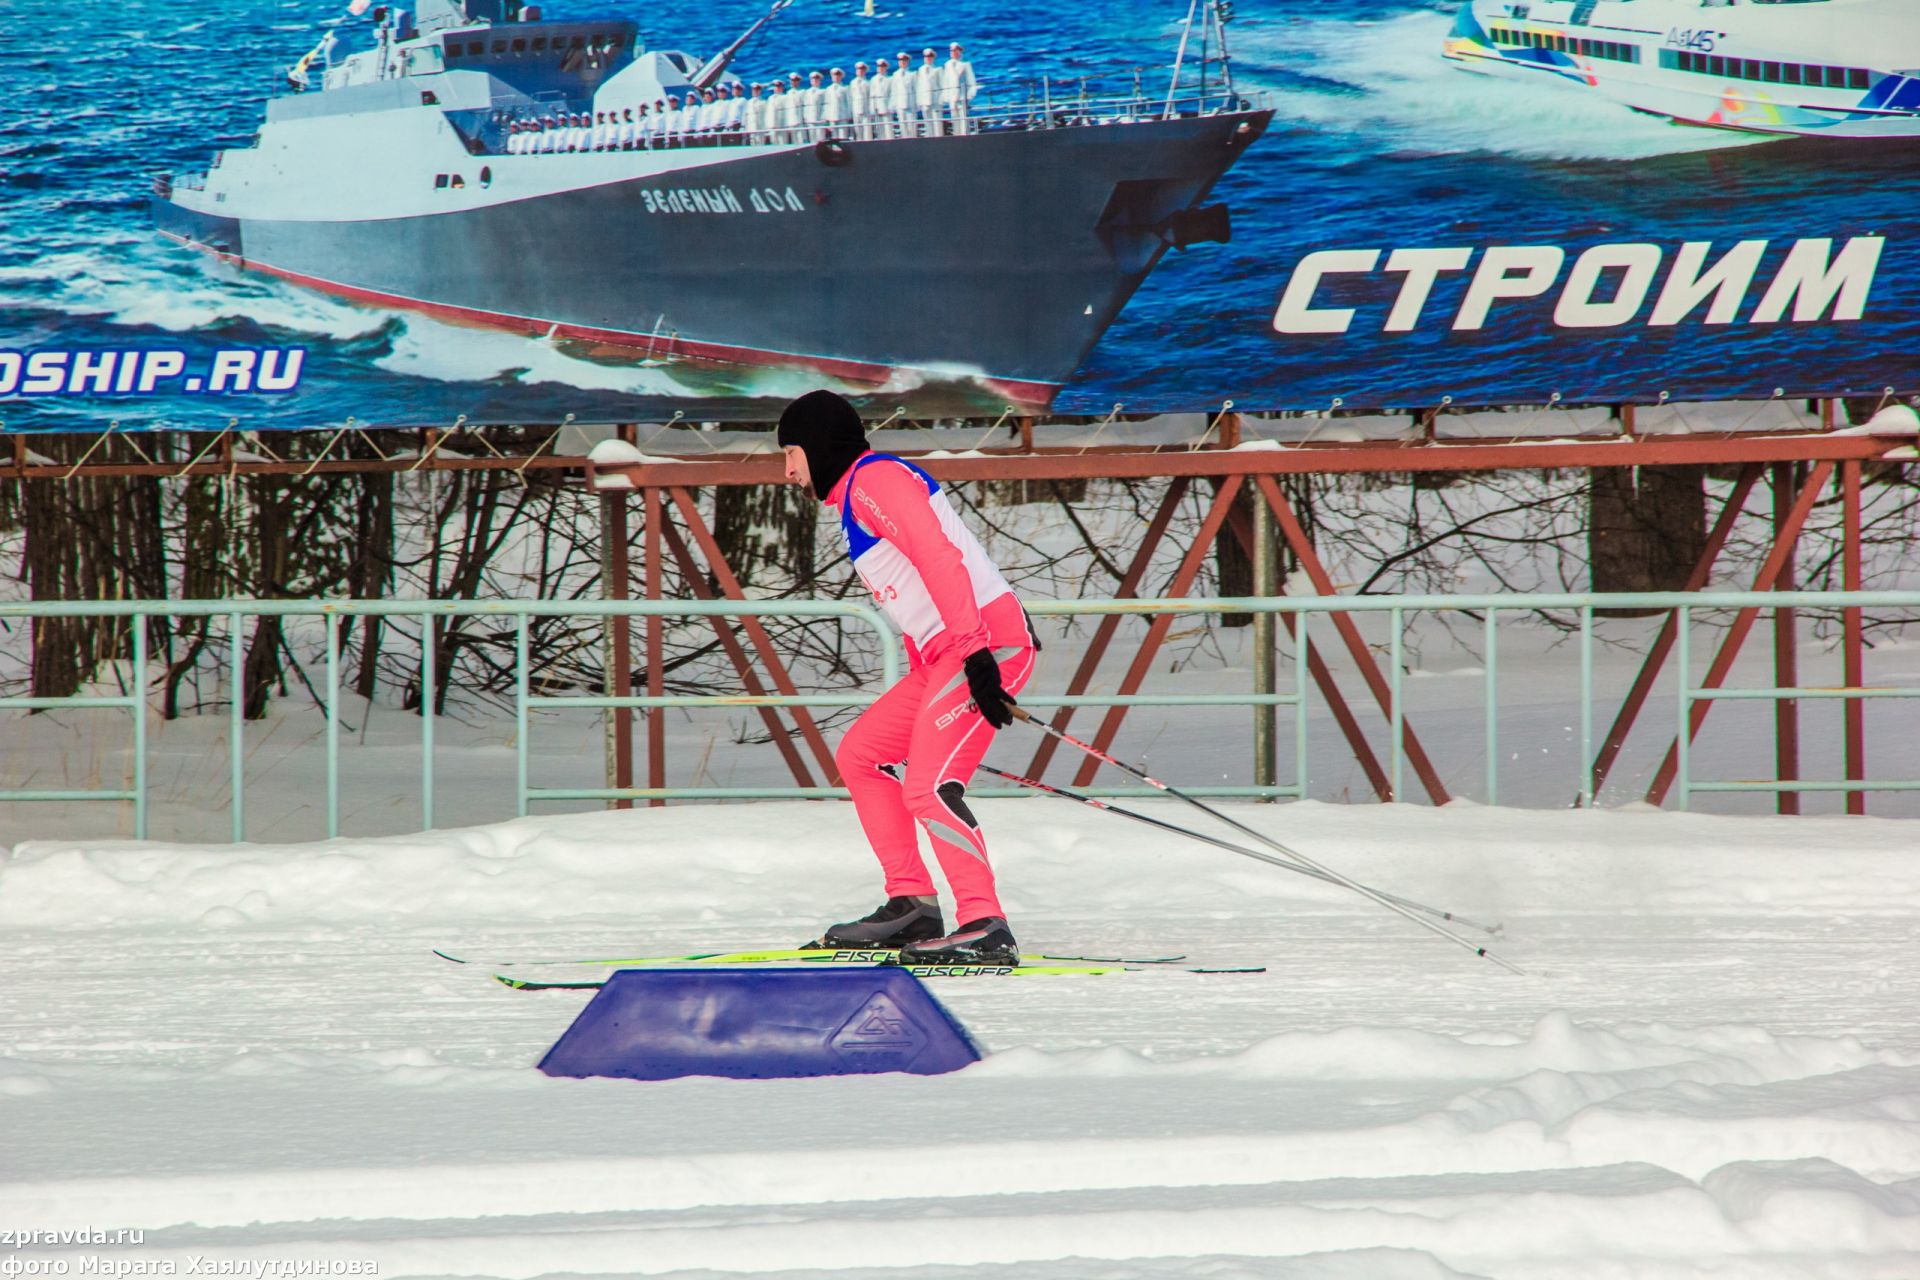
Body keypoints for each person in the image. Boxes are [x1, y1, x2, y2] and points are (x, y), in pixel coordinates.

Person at [778, 390, 1037, 966]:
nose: (789, 470)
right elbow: (914, 599)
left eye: (790, 452)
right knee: (862, 755)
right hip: (949, 655)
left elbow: (939, 559)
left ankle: (984, 924)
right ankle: (912, 905)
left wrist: (975, 655)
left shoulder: (877, 480)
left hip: (985, 646)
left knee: (926, 787)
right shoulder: (855, 499)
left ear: (817, 447)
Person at [942, 42, 977, 135]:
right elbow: (945, 82)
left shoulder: (965, 64)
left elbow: (972, 82)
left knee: (964, 122)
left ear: (959, 51)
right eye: (951, 50)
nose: (953, 52)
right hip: (952, 98)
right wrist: (946, 97)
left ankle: (965, 137)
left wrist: (969, 96)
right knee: (955, 121)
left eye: (955, 50)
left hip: (962, 98)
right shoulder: (947, 65)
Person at [849, 61, 873, 140]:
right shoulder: (852, 83)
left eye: (862, 70)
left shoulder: (868, 83)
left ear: (865, 71)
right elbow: (850, 97)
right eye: (858, 69)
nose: (860, 71)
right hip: (856, 110)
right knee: (858, 132)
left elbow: (871, 97)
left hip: (866, 110)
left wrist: (871, 110)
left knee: (867, 132)